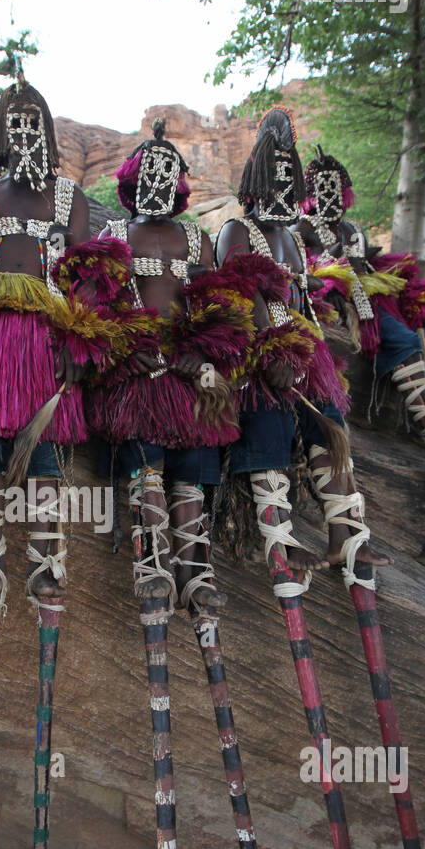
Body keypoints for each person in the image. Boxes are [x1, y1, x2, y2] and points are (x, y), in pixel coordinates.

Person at [215, 107, 392, 577]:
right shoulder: (237, 231)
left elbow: (300, 297)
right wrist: (272, 354)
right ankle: (282, 538)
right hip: (255, 357)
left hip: (302, 348)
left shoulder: (292, 240)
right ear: (256, 178)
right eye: (274, 176)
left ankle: (345, 534)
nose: (283, 186)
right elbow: (236, 301)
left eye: (289, 177)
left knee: (330, 425)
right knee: (267, 422)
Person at [85, 120, 252, 611]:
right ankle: (152, 564)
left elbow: (224, 301)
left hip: (188, 366)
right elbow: (95, 299)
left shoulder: (197, 240)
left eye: (165, 175)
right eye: (146, 175)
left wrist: (203, 351)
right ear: (130, 183)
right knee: (147, 468)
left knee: (193, 470)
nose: (155, 184)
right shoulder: (113, 233)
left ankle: (196, 570)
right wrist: (120, 347)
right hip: (137, 372)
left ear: (178, 186)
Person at [0, 73, 95, 607]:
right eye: (16, 125)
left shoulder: (67, 198)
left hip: (44, 341)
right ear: (0, 137)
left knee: (45, 451)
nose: (26, 134)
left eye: (36, 125)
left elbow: (86, 277)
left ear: (50, 136)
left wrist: (79, 342)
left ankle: (45, 562)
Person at [298, 147, 425, 480]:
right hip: (347, 307)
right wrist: (338, 270)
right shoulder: (303, 230)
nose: (330, 196)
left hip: (374, 295)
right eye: (322, 189)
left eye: (335, 188)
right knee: (402, 341)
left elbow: (367, 264)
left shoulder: (351, 229)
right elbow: (308, 273)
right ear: (310, 194)